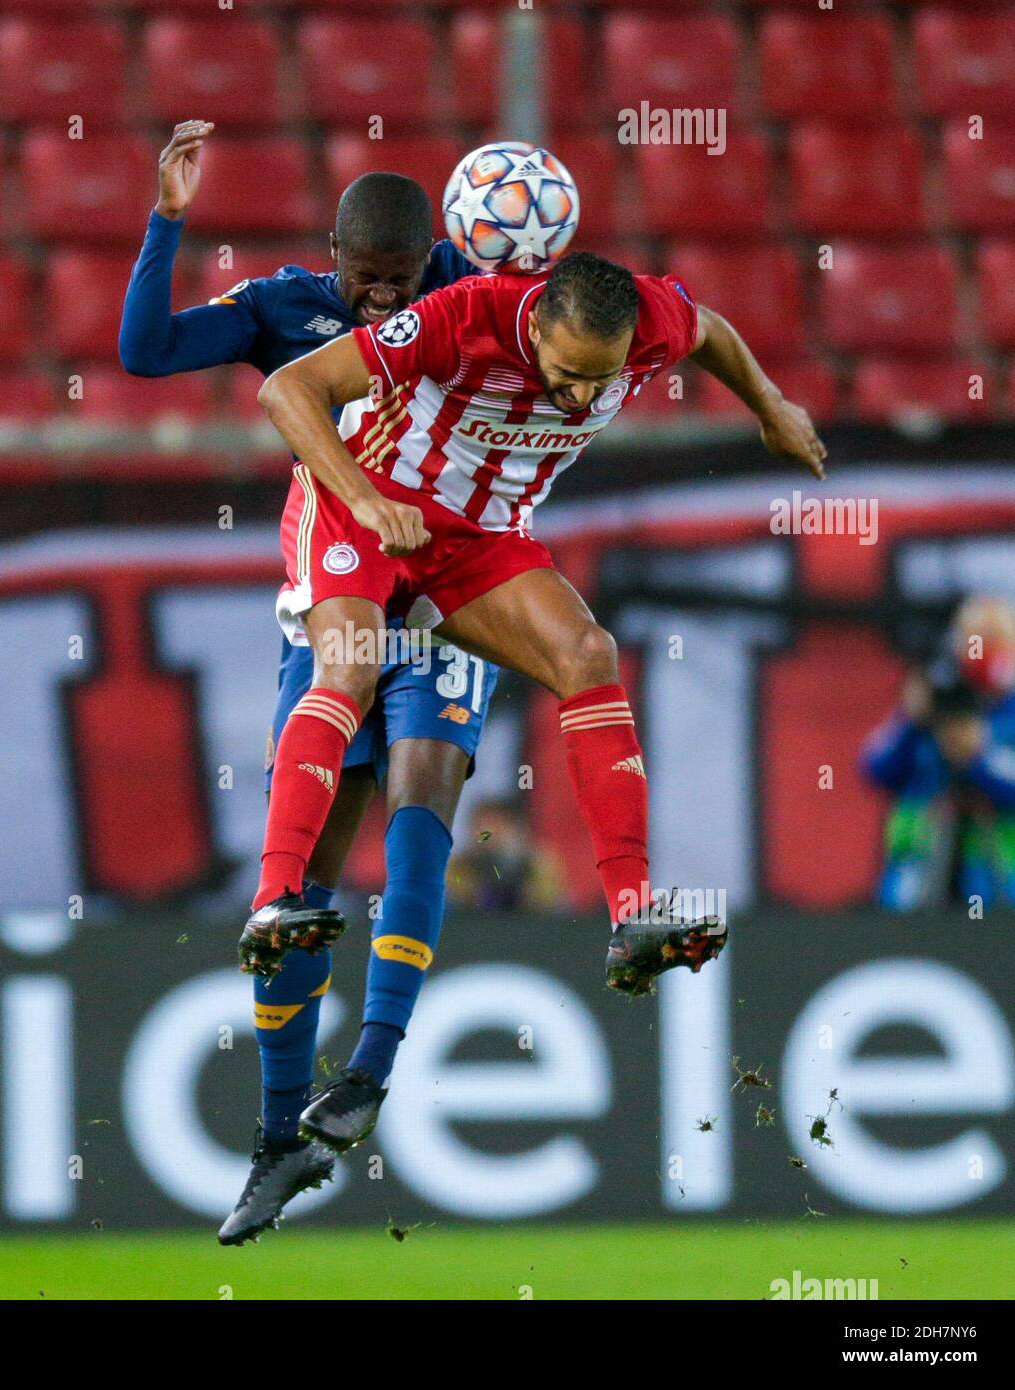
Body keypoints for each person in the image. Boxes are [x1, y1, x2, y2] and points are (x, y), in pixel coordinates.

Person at [243, 250, 829, 1146]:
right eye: (564, 374)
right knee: (351, 668)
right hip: (368, 507)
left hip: (473, 537)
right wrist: (361, 497)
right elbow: (288, 389)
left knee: (586, 652)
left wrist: (771, 406)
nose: (581, 399)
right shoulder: (466, 313)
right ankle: (278, 900)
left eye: (602, 381)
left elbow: (711, 329)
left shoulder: (649, 323)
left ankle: (633, 916)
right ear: (537, 327)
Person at [117, 121, 500, 1245]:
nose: (381, 303)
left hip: (441, 592)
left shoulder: (468, 299)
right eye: (362, 280)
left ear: (431, 256)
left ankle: (369, 1070)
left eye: (398, 280)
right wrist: (168, 221)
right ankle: (281, 1134)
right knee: (304, 894)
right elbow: (143, 353)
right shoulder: (286, 306)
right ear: (331, 254)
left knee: (425, 798)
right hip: (331, 597)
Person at [861, 595, 1015, 909]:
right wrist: (912, 721)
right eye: (973, 638)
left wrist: (979, 756)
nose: (982, 649)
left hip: (1008, 884)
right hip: (921, 875)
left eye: (995, 638)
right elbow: (875, 768)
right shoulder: (937, 702)